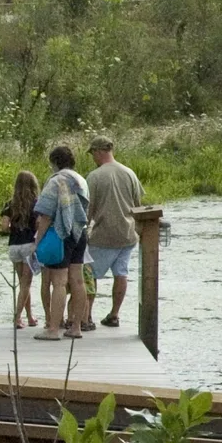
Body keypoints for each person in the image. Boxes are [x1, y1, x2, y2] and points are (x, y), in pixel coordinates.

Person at [85, 135, 144, 329]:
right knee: (121, 273)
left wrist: (83, 232)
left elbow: (88, 209)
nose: (93, 157)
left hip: (103, 235)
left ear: (99, 152)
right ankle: (114, 314)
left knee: (90, 274)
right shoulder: (129, 173)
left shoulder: (94, 177)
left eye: (93, 153)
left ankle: (87, 316)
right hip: (128, 234)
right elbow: (138, 205)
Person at [32, 145, 90, 340]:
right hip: (80, 232)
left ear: (55, 162)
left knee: (58, 282)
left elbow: (46, 214)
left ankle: (53, 329)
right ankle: (76, 327)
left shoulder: (56, 181)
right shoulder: (81, 180)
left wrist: (38, 240)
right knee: (78, 280)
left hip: (61, 233)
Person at [0, 170, 40, 328]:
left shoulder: (10, 204)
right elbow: (38, 225)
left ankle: (29, 317)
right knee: (26, 284)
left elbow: (4, 227)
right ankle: (17, 318)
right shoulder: (37, 203)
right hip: (29, 245)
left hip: (14, 247)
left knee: (23, 284)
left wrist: (13, 229)